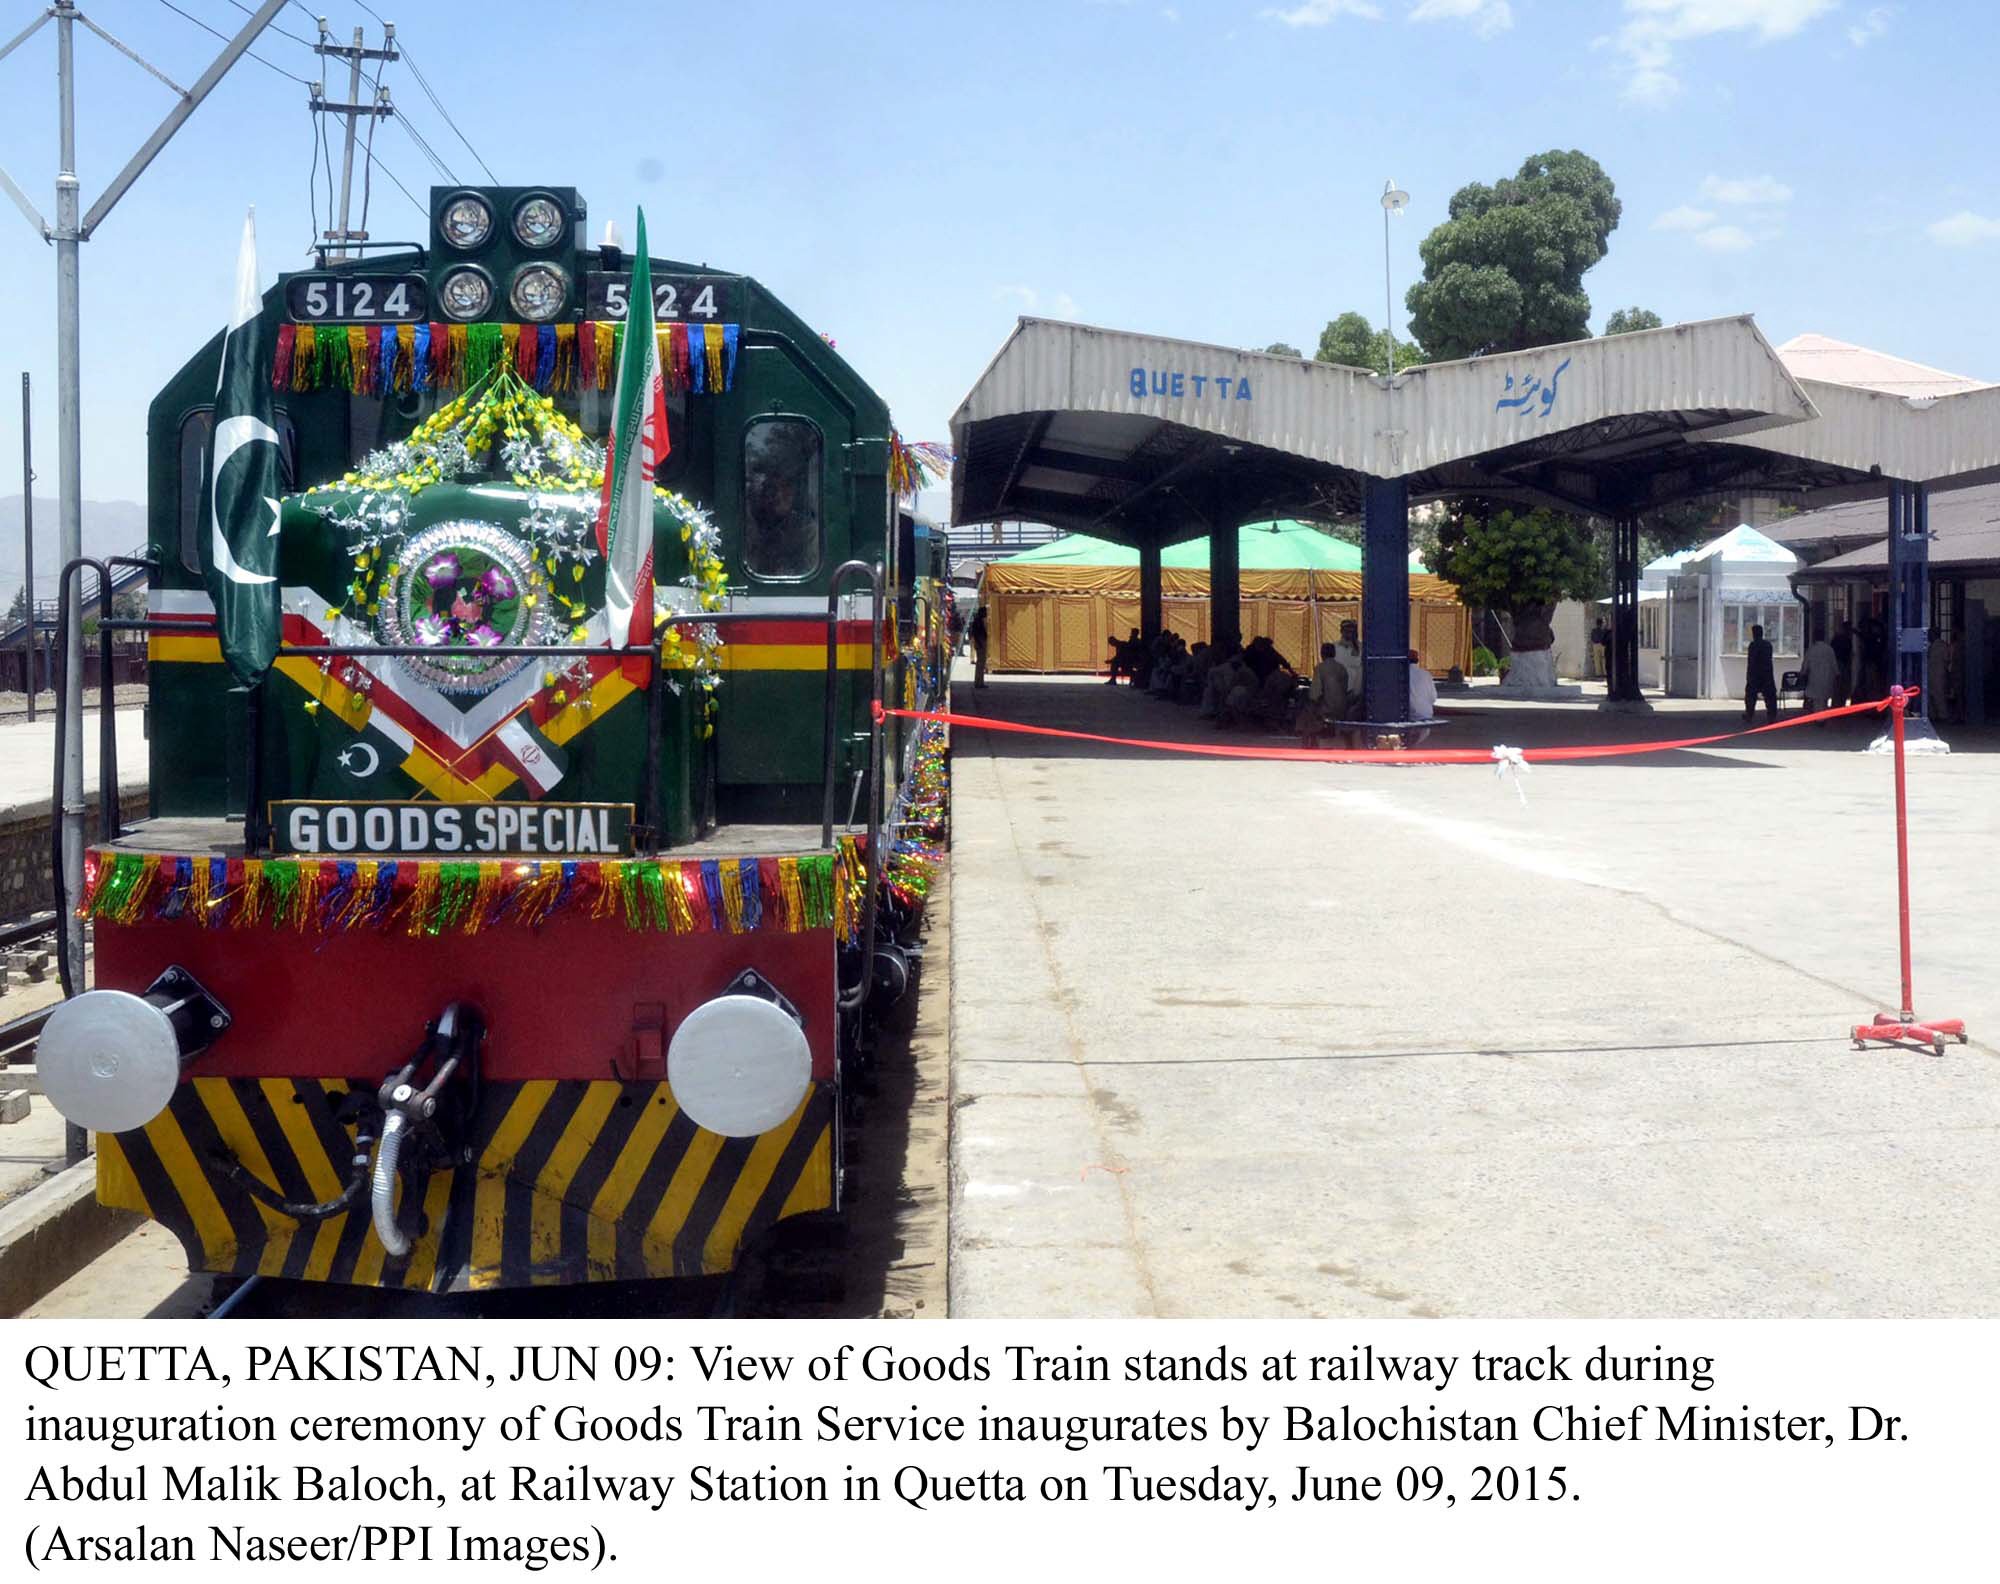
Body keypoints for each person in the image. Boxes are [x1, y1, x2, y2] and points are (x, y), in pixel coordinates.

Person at [1299, 641, 1352, 748]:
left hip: (1327, 709)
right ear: (1334, 653)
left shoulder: (1320, 668)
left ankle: (1308, 745)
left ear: (1322, 654)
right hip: (1342, 708)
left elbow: (1314, 694)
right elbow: (1345, 689)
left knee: (1306, 713)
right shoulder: (1342, 668)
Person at [1800, 628, 1839, 716]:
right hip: (1827, 678)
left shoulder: (1811, 650)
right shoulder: (1829, 649)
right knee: (1824, 700)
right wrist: (1837, 674)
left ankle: (1818, 717)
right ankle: (1822, 717)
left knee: (1816, 700)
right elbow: (1834, 664)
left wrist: (1803, 673)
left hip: (1814, 678)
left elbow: (1805, 664)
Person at [1743, 622, 1777, 724]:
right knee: (1770, 696)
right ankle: (1772, 716)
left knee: (1750, 696)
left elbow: (1751, 661)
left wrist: (1749, 675)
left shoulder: (1753, 645)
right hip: (1767, 674)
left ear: (1754, 634)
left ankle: (1749, 715)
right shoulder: (1768, 645)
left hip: (1755, 674)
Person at [1334, 620, 1364, 697]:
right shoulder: (1334, 647)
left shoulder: (1362, 648)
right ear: (1341, 631)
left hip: (1356, 693)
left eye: (1352, 631)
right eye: (1346, 630)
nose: (1349, 633)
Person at [1407, 650, 1438, 719]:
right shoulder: (1426, 674)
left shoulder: (1402, 675)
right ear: (1417, 660)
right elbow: (1433, 697)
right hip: (1426, 713)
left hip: (1410, 715)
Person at [968, 606, 989, 690]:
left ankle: (979, 682)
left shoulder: (978, 620)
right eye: (985, 612)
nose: (986, 614)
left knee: (980, 664)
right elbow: (976, 633)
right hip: (980, 643)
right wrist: (980, 643)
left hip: (980, 642)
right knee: (980, 663)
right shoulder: (978, 621)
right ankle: (979, 682)